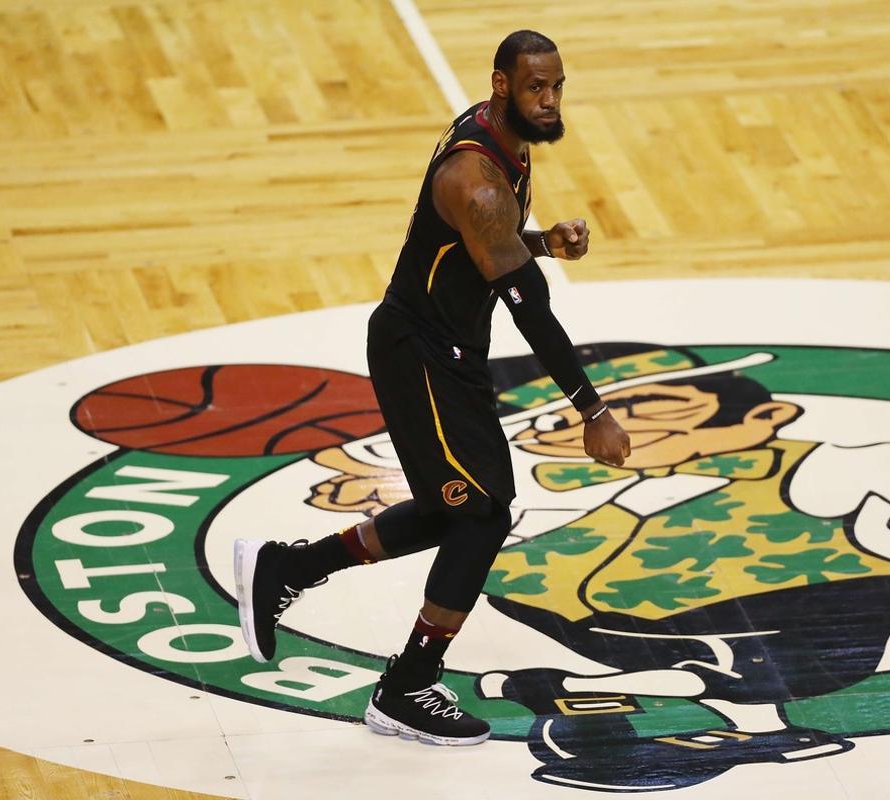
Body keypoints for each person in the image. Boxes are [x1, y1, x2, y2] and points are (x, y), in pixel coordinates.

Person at [233, 30, 630, 746]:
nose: (550, 101)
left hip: (450, 349)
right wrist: (591, 410)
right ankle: (407, 684)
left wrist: (541, 240)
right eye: (536, 87)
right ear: (501, 85)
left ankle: (287, 567)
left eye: (558, 86)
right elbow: (528, 305)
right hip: (418, 353)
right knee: (481, 515)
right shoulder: (475, 179)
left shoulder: (500, 141)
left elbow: (484, 243)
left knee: (464, 509)